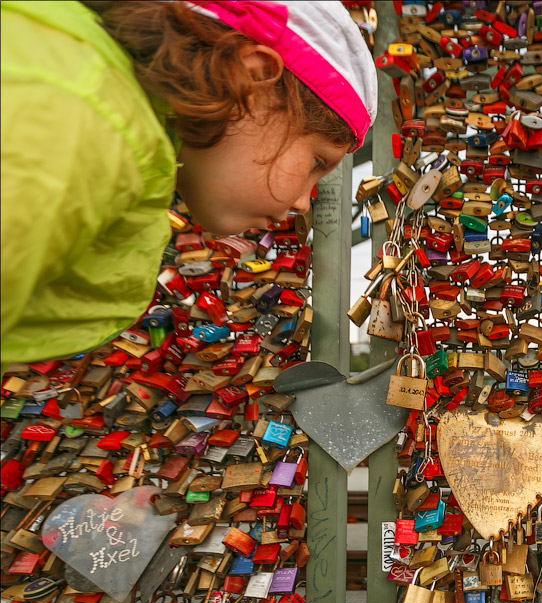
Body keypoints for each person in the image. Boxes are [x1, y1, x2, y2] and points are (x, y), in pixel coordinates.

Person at [0, 0, 377, 372]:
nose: (303, 203)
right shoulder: (81, 122)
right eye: (316, 162)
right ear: (253, 78)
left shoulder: (95, 104)